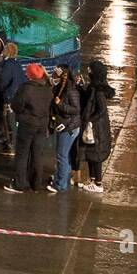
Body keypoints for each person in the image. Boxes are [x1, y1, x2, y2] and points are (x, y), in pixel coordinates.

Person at [4, 62, 52, 193]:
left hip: (27, 124)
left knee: (22, 154)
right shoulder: (47, 88)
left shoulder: (26, 88)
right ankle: (35, 184)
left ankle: (19, 184)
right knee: (37, 154)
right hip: (42, 125)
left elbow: (17, 105)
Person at [77, 60, 114, 192]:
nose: (88, 71)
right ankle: (92, 179)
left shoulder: (98, 91)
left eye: (90, 70)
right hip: (94, 127)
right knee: (91, 154)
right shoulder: (94, 87)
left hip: (97, 128)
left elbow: (102, 110)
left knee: (96, 155)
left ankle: (98, 183)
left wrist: (90, 120)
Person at [46, 64, 81, 193]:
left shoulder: (71, 91)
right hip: (64, 126)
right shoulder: (60, 88)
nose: (53, 77)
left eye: (55, 75)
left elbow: (75, 109)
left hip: (68, 128)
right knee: (63, 155)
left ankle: (60, 184)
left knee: (62, 156)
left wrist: (60, 104)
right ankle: (61, 179)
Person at [0, 41, 26, 154]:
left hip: (9, 98)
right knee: (14, 122)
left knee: (8, 122)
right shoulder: (17, 64)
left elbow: (3, 82)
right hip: (18, 97)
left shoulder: (8, 65)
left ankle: (11, 146)